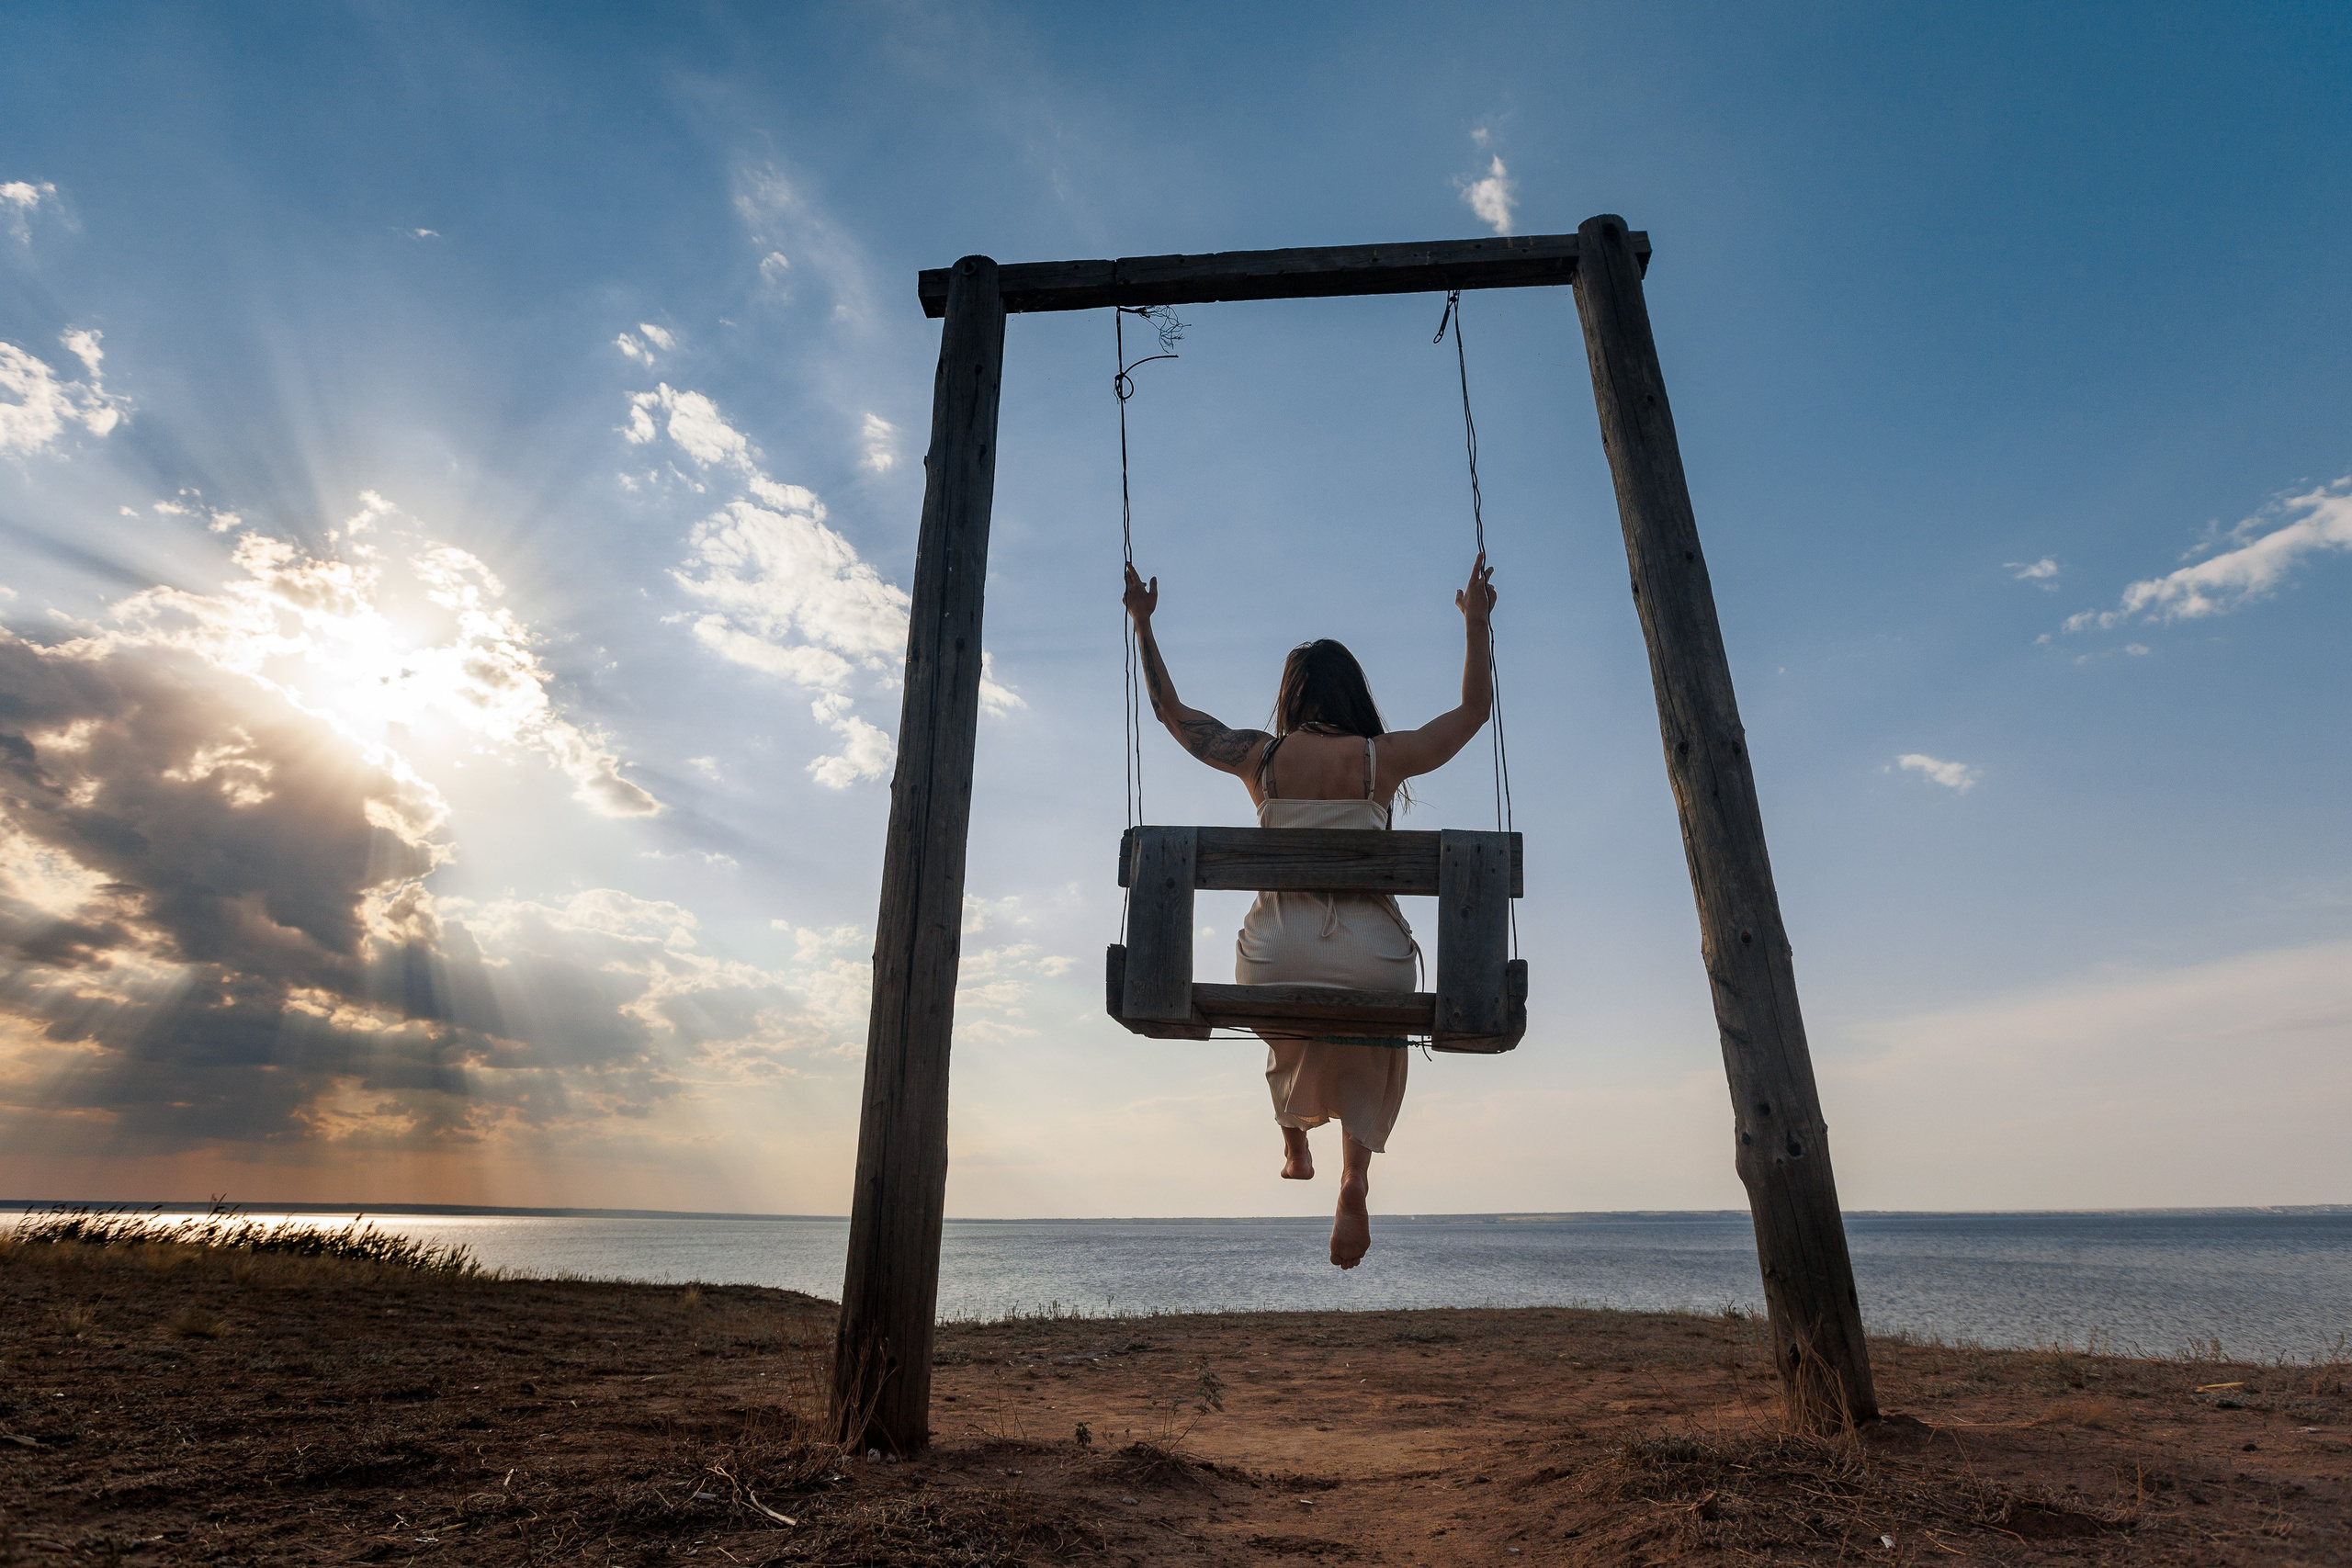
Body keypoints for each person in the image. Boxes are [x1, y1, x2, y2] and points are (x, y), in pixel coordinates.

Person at [1121, 553, 1498, 1269]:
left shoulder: (1258, 759)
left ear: (1291, 698)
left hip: (1276, 957)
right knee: (1369, 1026)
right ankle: (1354, 1177)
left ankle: (1293, 1138)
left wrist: (1143, 624)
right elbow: (1473, 713)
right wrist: (1476, 622)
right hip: (1371, 959)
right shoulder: (1381, 758)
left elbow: (1173, 715)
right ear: (1352, 694)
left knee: (1282, 994)